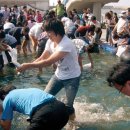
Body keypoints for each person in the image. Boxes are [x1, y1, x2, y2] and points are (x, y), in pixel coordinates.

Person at [17, 19, 81, 120]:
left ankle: (73, 124)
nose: (47, 34)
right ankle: (40, 117)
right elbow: (42, 57)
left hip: (72, 78)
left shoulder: (66, 44)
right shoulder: (50, 41)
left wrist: (28, 65)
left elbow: (48, 62)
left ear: (57, 31)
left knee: (68, 106)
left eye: (49, 32)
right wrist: (27, 66)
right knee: (44, 98)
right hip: (59, 75)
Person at [0, 85, 69, 130]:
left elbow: (6, 127)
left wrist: (0, 112)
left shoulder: (7, 98)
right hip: (62, 110)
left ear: (3, 96)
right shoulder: (30, 90)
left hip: (45, 114)